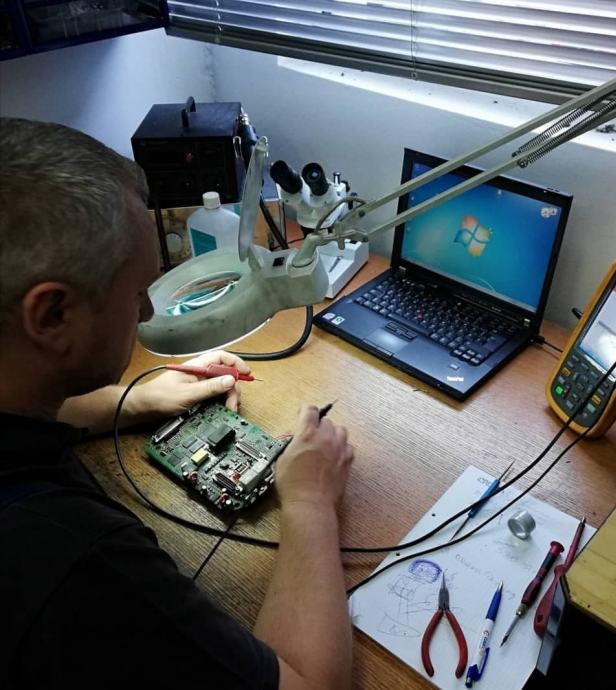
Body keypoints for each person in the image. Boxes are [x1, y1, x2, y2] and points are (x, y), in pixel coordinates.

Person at [0, 117, 354, 689]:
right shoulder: (72, 558)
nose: (147, 311)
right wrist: (311, 503)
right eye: (138, 290)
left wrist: (133, 401)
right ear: (52, 315)